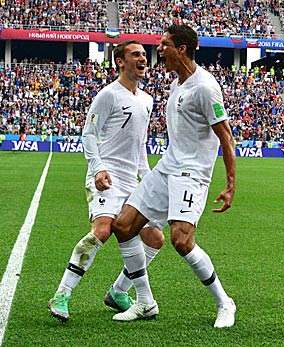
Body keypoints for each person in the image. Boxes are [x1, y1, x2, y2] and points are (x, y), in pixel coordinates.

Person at [110, 24, 237, 328]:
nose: (159, 49)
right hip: (167, 167)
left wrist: (231, 184)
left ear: (181, 49)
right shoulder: (177, 83)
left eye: (164, 44)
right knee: (124, 225)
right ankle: (144, 302)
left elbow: (226, 137)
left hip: (191, 174)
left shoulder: (205, 87)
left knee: (181, 241)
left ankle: (224, 302)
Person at [48, 40, 164, 322]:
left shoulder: (147, 100)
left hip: (131, 179)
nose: (143, 58)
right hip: (106, 176)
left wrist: (147, 178)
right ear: (120, 62)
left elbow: (140, 145)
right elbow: (89, 134)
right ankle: (62, 294)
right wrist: (97, 167)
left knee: (154, 237)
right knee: (102, 230)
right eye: (135, 54)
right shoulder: (108, 95)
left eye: (143, 54)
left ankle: (118, 291)